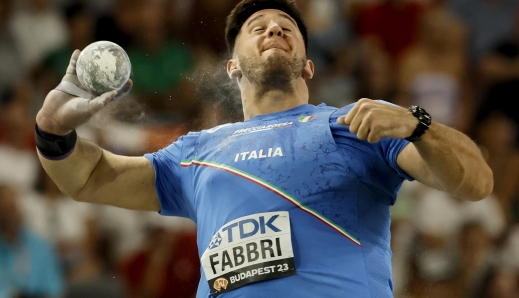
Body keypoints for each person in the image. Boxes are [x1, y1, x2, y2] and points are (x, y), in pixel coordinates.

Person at [34, 0, 493, 297]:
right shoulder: (197, 152)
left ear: (308, 66)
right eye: (258, 27)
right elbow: (90, 178)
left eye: (286, 26)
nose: (273, 29)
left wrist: (419, 126)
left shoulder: (355, 124)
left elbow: (475, 182)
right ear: (232, 66)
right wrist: (52, 129)